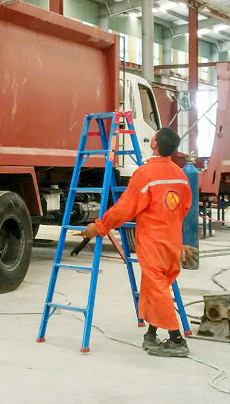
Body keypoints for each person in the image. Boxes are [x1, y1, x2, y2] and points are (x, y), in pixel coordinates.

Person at [82, 127, 193, 358]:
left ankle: (176, 340)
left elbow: (124, 209)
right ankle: (151, 334)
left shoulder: (144, 174)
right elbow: (184, 207)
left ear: (154, 143)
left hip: (152, 241)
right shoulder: (180, 175)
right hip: (172, 239)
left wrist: (100, 227)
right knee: (157, 285)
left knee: (157, 286)